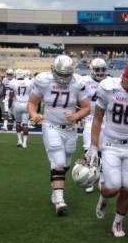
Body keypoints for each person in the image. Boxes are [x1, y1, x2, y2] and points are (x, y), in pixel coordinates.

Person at [87, 62, 128, 238]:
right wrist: (94, 146)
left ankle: (117, 222)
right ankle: (104, 196)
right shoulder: (108, 88)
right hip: (111, 144)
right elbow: (98, 118)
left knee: (127, 188)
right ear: (122, 77)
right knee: (113, 188)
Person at [28, 55, 90, 216]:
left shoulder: (77, 83)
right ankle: (60, 200)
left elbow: (86, 108)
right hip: (51, 126)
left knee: (66, 161)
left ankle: (55, 188)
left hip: (69, 128)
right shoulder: (44, 81)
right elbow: (31, 103)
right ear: (53, 70)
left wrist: (76, 116)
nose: (63, 77)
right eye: (60, 74)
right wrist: (34, 114)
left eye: (66, 74)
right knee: (59, 161)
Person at [81, 57, 108, 191]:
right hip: (90, 118)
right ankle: (90, 178)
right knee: (89, 148)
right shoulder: (84, 81)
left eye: (103, 70)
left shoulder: (110, 82)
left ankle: (102, 177)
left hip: (105, 119)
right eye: (98, 70)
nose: (101, 72)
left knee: (103, 149)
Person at [8, 69, 32, 148]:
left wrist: (9, 107)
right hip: (26, 104)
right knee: (25, 124)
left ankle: (19, 140)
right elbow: (32, 95)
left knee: (17, 123)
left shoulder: (12, 82)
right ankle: (24, 143)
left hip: (17, 104)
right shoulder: (29, 82)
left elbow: (11, 98)